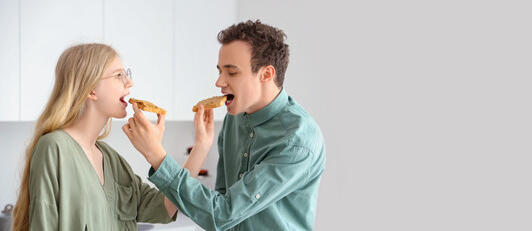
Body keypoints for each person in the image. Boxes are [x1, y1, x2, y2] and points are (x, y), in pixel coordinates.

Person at [125, 20, 326, 230]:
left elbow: (223, 213)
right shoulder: (235, 117)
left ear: (266, 74)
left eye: (231, 72)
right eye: (220, 71)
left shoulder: (296, 142)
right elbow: (221, 197)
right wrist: (202, 143)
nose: (219, 82)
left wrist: (157, 156)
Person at [11, 43, 179, 231]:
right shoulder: (54, 148)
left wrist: (199, 146)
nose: (129, 82)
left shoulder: (110, 158)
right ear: (91, 90)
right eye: (118, 76)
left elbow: (165, 206)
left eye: (126, 74)